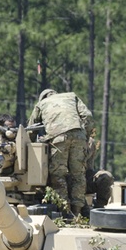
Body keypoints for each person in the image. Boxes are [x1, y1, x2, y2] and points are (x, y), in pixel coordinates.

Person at [27, 89, 90, 218]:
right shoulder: (72, 96)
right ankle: (77, 212)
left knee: (58, 175)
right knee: (78, 175)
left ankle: (65, 212)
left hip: (58, 137)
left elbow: (31, 129)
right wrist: (85, 135)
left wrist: (29, 146)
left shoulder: (41, 104)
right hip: (79, 135)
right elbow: (88, 116)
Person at [84, 126, 114, 211]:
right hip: (65, 179)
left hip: (84, 177)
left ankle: (99, 209)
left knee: (105, 177)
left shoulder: (89, 142)